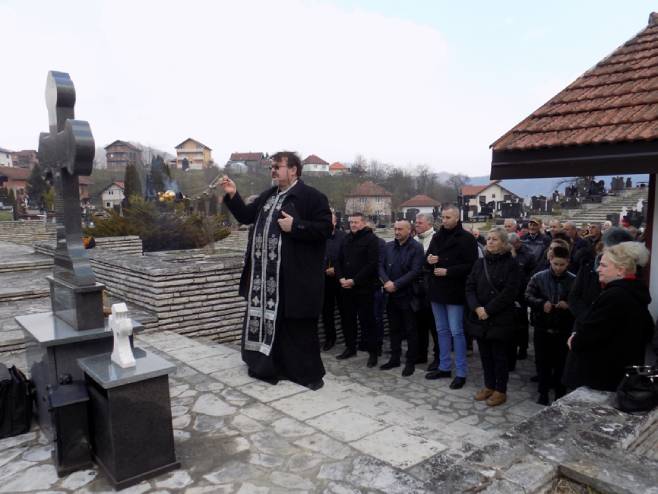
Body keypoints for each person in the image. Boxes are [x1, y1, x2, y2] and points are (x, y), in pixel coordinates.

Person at [220, 151, 332, 390]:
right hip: (265, 279)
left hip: (295, 279)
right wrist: (233, 195)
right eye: (271, 167)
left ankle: (302, 373)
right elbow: (246, 216)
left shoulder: (312, 197)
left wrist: (297, 226)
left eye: (277, 166)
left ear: (293, 170)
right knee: (269, 324)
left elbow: (325, 230)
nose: (273, 170)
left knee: (296, 328)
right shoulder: (269, 195)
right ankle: (267, 365)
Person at [564, 242, 654, 391]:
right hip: (618, 378)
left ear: (621, 270)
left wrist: (574, 339)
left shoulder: (614, 296)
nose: (598, 268)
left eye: (604, 265)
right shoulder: (635, 292)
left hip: (601, 380)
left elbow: (586, 339)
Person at [425, 205, 479, 389]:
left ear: (457, 218)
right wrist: (430, 260)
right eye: (443, 217)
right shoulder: (437, 236)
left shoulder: (466, 238)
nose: (444, 220)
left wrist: (448, 271)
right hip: (436, 289)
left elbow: (472, 266)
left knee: (457, 331)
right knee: (441, 330)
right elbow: (428, 258)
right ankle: (444, 366)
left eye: (448, 217)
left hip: (454, 290)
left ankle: (461, 372)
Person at [465, 227, 520, 406]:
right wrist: (477, 308)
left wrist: (488, 309)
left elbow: (509, 292)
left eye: (494, 239)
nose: (489, 241)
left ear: (504, 243)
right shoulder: (479, 263)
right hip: (480, 317)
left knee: (499, 356)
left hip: (500, 318)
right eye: (488, 238)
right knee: (485, 355)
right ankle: (489, 385)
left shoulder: (511, 264)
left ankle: (500, 390)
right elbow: (470, 287)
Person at [525, 246, 575, 405]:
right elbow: (527, 295)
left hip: (563, 328)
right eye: (555, 264)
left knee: (561, 362)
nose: (558, 268)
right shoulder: (539, 277)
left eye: (562, 265)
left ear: (568, 263)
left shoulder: (574, 280)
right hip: (542, 326)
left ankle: (560, 392)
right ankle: (543, 392)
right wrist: (541, 303)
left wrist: (568, 305)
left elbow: (580, 301)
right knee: (542, 361)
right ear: (550, 261)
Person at [379, 220, 424, 376]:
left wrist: (396, 284)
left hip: (408, 295)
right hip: (391, 296)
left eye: (400, 229)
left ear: (409, 230)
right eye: (395, 228)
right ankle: (394, 358)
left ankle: (410, 361)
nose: (397, 232)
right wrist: (386, 282)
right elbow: (380, 266)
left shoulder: (416, 248)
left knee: (411, 330)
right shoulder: (388, 246)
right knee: (394, 329)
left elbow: (415, 271)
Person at [335, 212, 380, 367]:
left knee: (367, 321)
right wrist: (340, 278)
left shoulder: (371, 240)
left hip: (363, 288)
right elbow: (338, 260)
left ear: (364, 223)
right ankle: (350, 348)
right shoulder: (346, 239)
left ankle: (373, 353)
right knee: (348, 320)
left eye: (356, 222)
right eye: (351, 222)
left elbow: (372, 264)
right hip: (345, 287)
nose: (353, 225)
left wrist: (354, 281)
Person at [413, 213, 439, 370]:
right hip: (416, 287)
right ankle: (420, 353)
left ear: (429, 224)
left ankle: (437, 357)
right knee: (419, 323)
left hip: (431, 286)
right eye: (416, 222)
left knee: (434, 325)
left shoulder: (435, 239)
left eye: (420, 222)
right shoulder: (415, 240)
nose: (417, 225)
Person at [508, 232, 536, 363]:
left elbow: (531, 275)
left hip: (522, 292)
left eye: (512, 245)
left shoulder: (528, 255)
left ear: (518, 243)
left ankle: (523, 348)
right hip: (509, 293)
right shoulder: (507, 253)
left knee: (522, 323)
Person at [321, 209, 346, 351]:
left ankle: (349, 341)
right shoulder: (318, 237)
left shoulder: (344, 237)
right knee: (326, 311)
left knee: (344, 310)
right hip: (324, 279)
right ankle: (330, 338)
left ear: (335, 222)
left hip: (340, 279)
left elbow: (348, 257)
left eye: (330, 220)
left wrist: (337, 270)